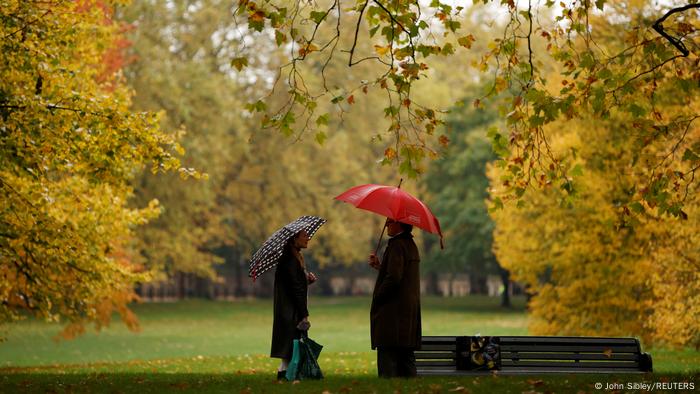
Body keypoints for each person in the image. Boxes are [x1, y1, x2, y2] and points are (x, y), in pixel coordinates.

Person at [368, 218, 421, 378]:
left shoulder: (396, 245)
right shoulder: (410, 245)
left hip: (393, 313)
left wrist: (378, 297)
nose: (386, 224)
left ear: (399, 224)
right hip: (407, 314)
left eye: (389, 222)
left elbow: (394, 278)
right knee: (406, 360)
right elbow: (399, 273)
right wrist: (380, 266)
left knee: (388, 362)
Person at [270, 229, 318, 380]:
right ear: (294, 239)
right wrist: (304, 313)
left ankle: (286, 377)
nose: (308, 238)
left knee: (291, 349)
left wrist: (307, 280)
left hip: (290, 310)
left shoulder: (294, 257)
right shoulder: (290, 259)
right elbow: (295, 289)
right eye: (304, 236)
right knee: (292, 348)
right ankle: (287, 377)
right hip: (290, 312)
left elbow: (295, 284)